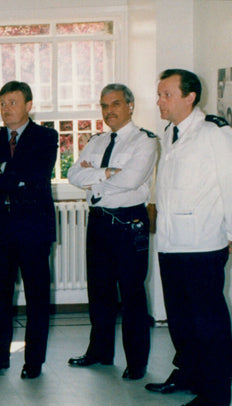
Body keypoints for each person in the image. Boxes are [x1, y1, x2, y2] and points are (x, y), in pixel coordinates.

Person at [146, 69, 232, 406]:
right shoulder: (171, 133)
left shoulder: (214, 134)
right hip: (173, 243)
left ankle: (216, 393)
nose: (159, 101)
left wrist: (227, 234)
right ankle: (187, 375)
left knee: (208, 321)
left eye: (166, 95)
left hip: (203, 245)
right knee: (180, 318)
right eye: (159, 94)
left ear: (189, 97)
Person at [67, 83, 158, 380]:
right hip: (99, 221)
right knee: (99, 291)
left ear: (130, 105)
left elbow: (131, 181)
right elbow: (73, 174)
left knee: (131, 294)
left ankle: (136, 362)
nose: (109, 111)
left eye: (116, 104)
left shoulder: (144, 141)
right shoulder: (97, 141)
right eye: (104, 106)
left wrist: (94, 181)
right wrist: (105, 173)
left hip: (128, 223)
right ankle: (100, 352)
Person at [0, 81, 58, 379]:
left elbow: (36, 174)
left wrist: (2, 172)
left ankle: (33, 362)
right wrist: (12, 176)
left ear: (28, 105)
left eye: (13, 102)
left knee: (36, 297)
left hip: (34, 229)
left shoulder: (46, 136)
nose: (6, 108)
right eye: (3, 102)